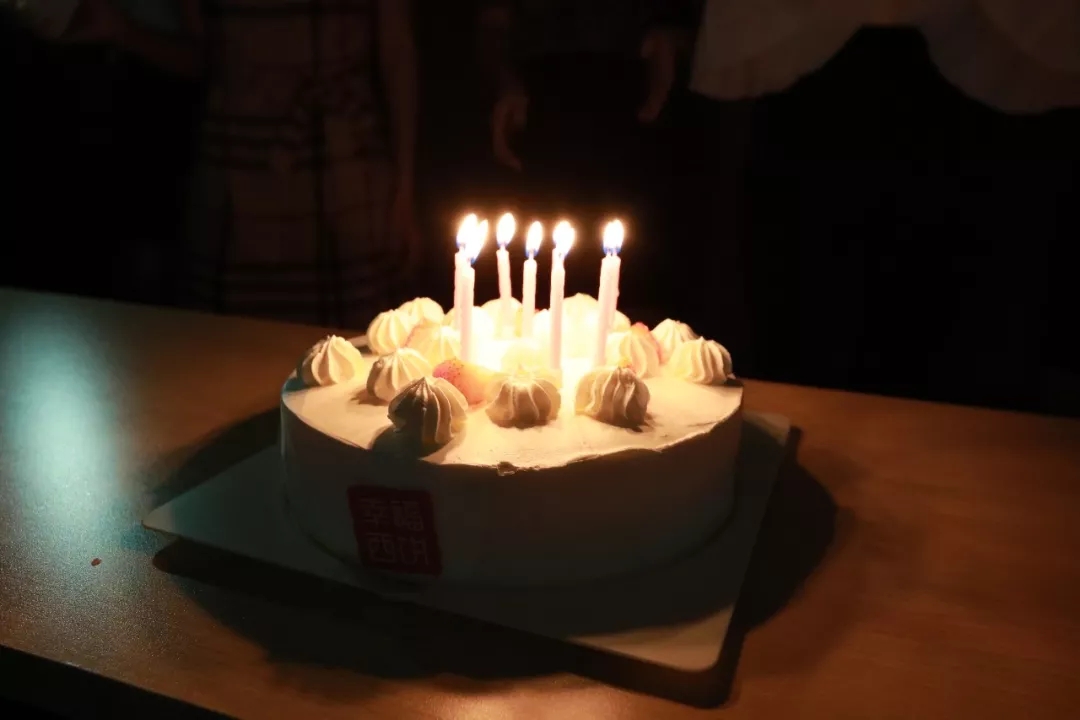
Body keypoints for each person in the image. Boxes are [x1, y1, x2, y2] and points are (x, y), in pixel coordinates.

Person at [63, 0, 420, 329]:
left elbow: (396, 52)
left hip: (345, 172)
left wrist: (404, 190)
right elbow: (200, 55)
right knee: (230, 347)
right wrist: (123, 31)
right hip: (235, 172)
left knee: (357, 347)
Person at [471, 0, 701, 325]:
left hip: (631, 93)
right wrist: (505, 85)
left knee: (635, 279)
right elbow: (493, 21)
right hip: (542, 102)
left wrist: (671, 37)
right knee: (538, 291)